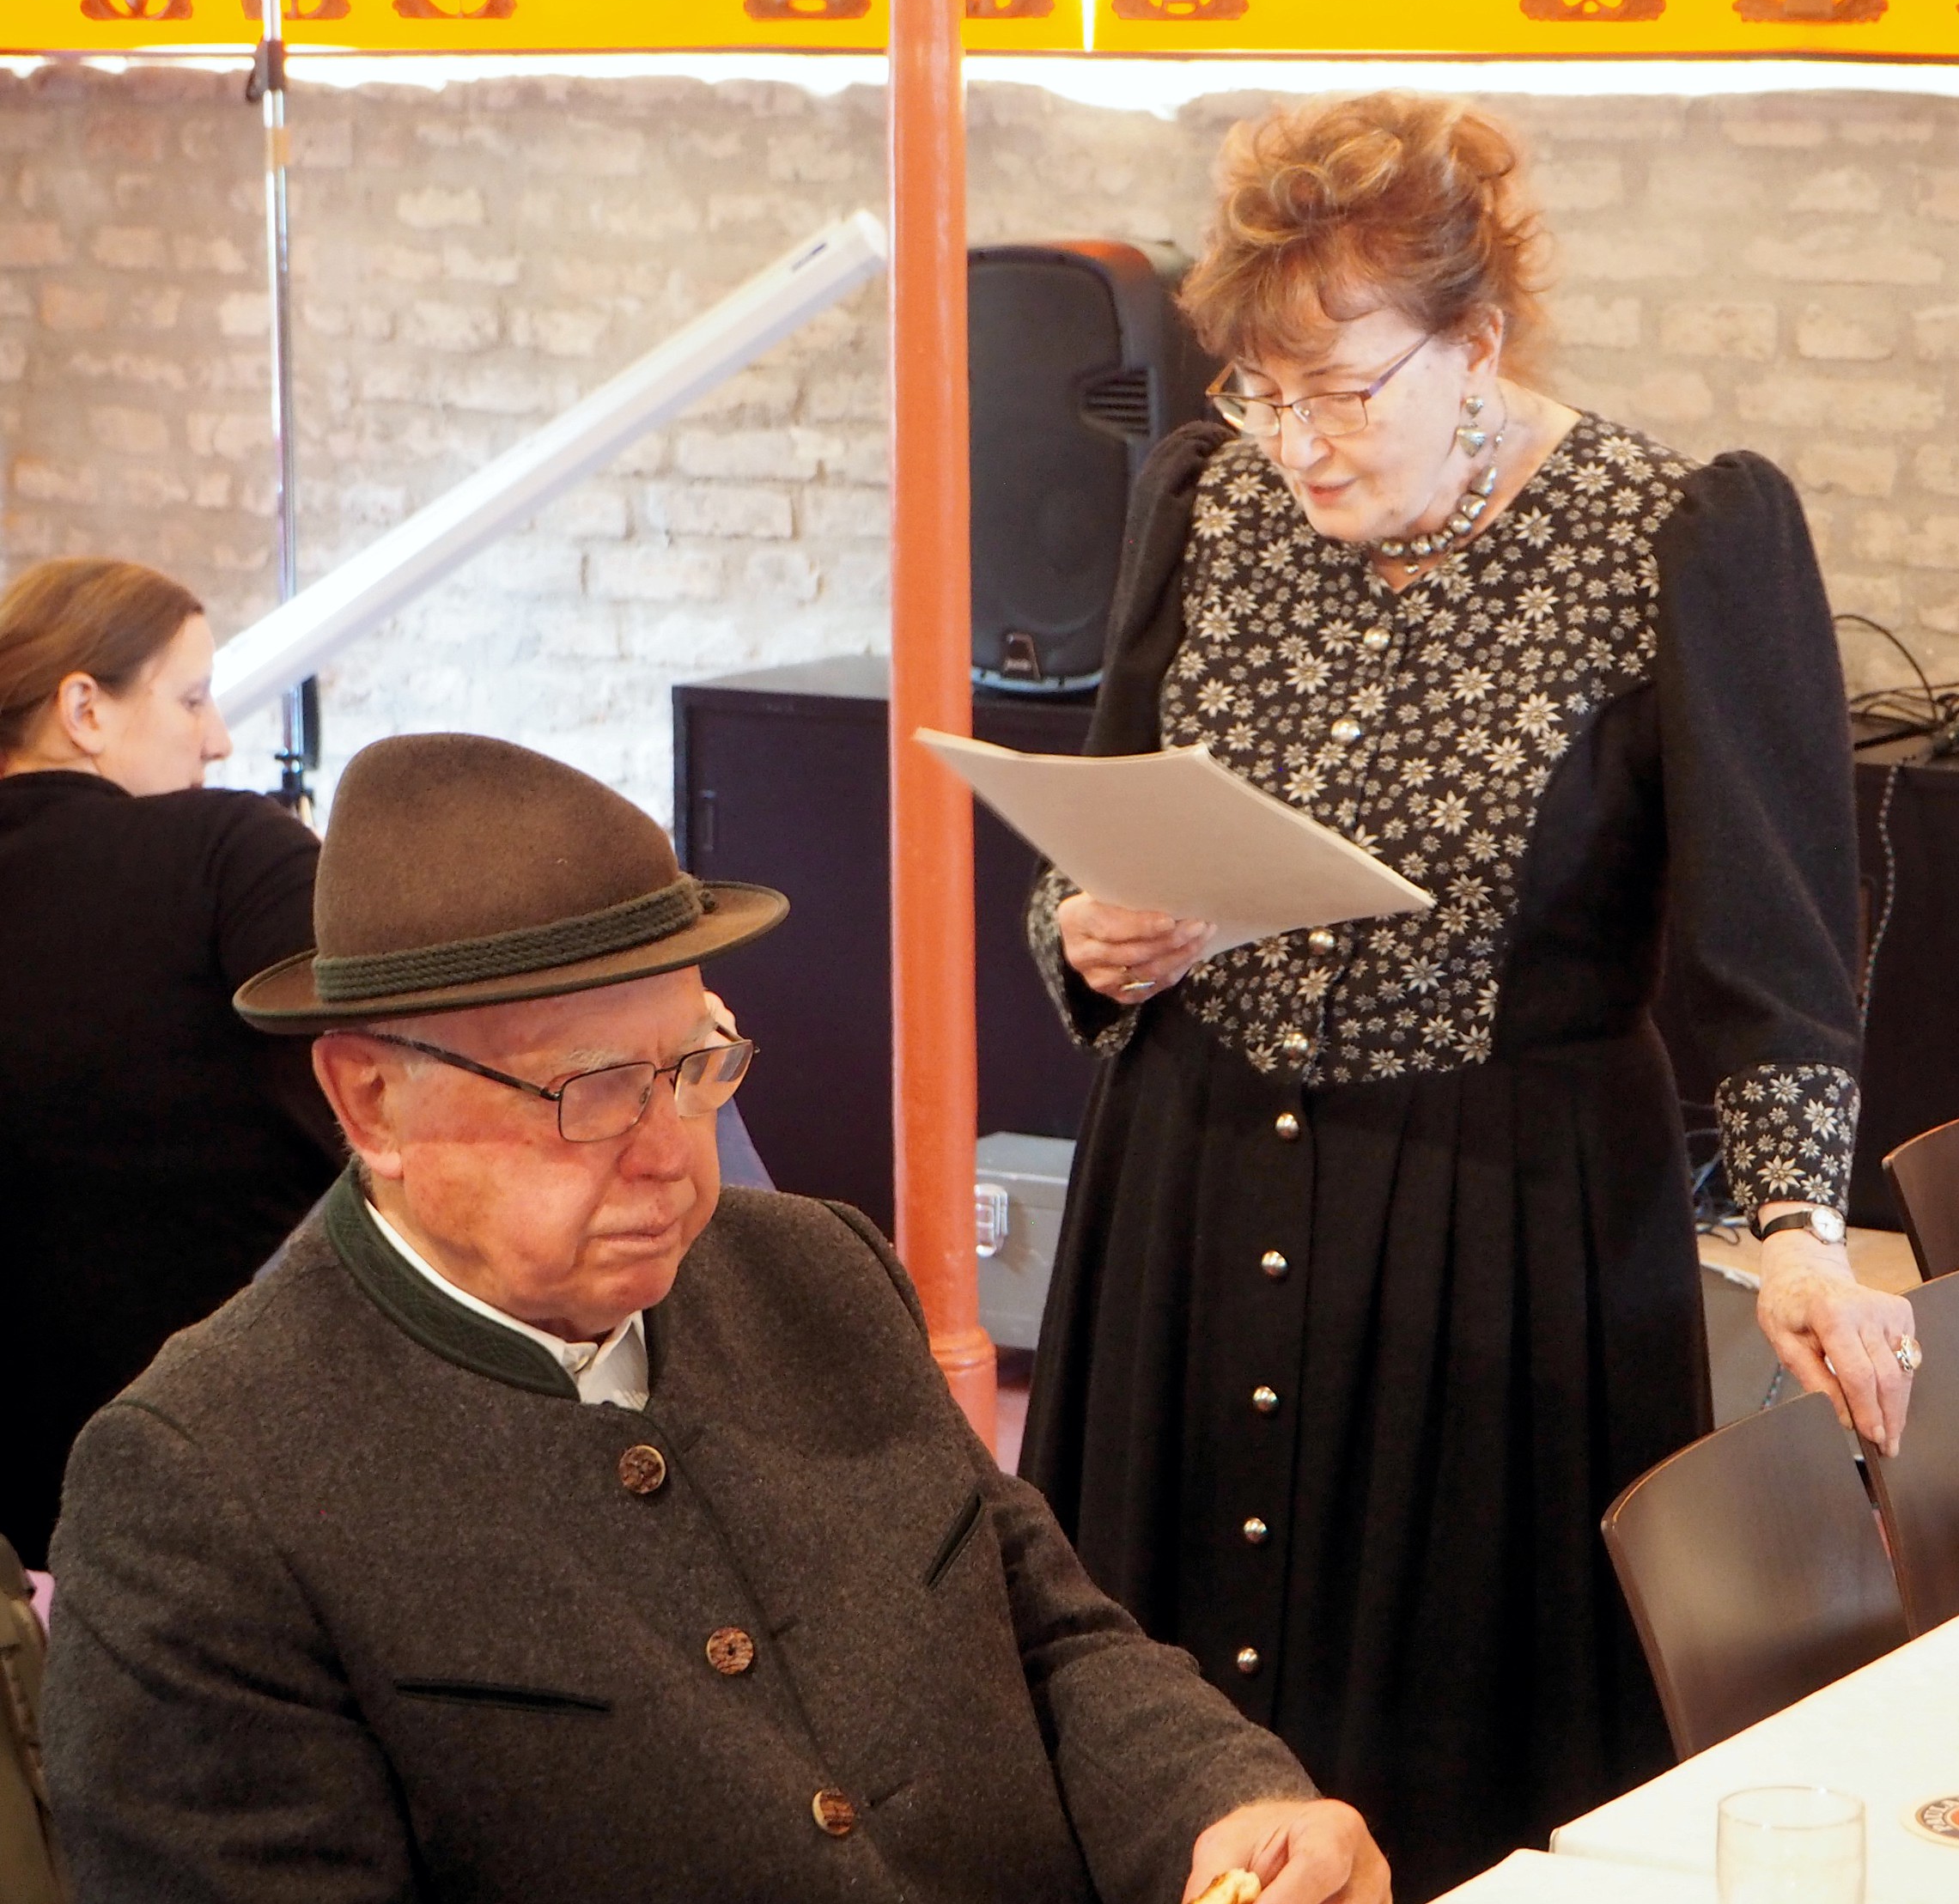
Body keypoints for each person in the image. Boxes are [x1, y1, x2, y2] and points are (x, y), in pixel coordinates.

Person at [1019, 92, 1919, 1901]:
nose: (1296, 443)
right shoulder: (1206, 495)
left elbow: (1771, 954)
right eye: (1260, 393)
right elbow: (1094, 824)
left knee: (1447, 1758)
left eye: (1344, 392)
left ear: (1478, 342)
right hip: (1190, 1181)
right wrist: (1086, 932)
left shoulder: (1671, 533)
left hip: (1496, 1226)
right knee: (1157, 1731)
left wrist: (1801, 1237)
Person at [42, 731, 1390, 1904]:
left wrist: (1227, 1804)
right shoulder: (205, 1485)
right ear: (371, 1102)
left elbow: (1047, 1638)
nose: (670, 1156)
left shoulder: (814, 1272)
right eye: (589, 1092)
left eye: (694, 1065)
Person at [0, 557, 340, 1572]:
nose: (219, 737)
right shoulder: (227, 849)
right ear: (84, 710)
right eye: (191, 699)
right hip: (241, 1483)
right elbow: (393, 1108)